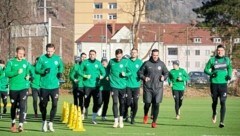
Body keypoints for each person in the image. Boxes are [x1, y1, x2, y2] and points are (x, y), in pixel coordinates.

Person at [35, 43, 64, 132]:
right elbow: (37, 69)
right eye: (48, 51)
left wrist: (60, 72)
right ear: (46, 50)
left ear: (54, 50)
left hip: (54, 86)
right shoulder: (42, 58)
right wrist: (43, 71)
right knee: (44, 105)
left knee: (55, 104)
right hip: (44, 86)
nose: (49, 53)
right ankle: (44, 121)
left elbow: (61, 66)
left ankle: (50, 123)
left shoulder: (57, 58)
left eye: (51, 51)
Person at [138, 49, 168, 128]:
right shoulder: (146, 63)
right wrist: (144, 78)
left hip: (158, 88)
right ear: (151, 55)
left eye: (156, 55)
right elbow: (140, 73)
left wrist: (163, 77)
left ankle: (154, 122)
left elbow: (166, 73)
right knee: (147, 103)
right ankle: (145, 115)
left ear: (158, 55)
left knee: (156, 104)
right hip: (148, 88)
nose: (155, 57)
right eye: (154, 55)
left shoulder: (161, 64)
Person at [204, 44, 232, 128]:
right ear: (217, 51)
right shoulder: (212, 60)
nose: (220, 52)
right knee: (215, 102)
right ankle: (214, 113)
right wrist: (211, 73)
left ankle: (222, 122)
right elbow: (205, 69)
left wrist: (229, 75)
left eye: (222, 50)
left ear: (224, 51)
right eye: (218, 50)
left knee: (223, 101)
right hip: (214, 84)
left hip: (223, 84)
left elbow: (230, 68)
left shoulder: (227, 60)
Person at [5, 46, 31, 132]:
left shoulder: (26, 62)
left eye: (22, 53)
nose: (21, 55)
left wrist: (28, 75)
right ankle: (13, 123)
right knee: (14, 106)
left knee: (23, 105)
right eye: (19, 53)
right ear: (16, 53)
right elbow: (7, 73)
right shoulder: (11, 62)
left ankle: (20, 124)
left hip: (23, 87)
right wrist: (16, 72)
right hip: (13, 88)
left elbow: (29, 71)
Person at [78, 50, 105, 124]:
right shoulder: (85, 62)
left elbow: (103, 72)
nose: (91, 55)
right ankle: (85, 110)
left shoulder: (98, 63)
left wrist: (102, 76)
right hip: (87, 85)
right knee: (86, 101)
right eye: (90, 54)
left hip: (96, 86)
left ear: (95, 55)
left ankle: (93, 118)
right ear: (89, 55)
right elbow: (79, 71)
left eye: (93, 54)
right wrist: (84, 75)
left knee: (97, 102)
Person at [107, 49, 130, 128]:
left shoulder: (125, 62)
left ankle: (121, 120)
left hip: (122, 86)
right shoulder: (111, 61)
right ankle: (115, 120)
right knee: (115, 102)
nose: (118, 56)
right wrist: (107, 76)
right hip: (113, 85)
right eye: (117, 54)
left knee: (122, 103)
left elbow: (130, 72)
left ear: (122, 55)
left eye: (120, 54)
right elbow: (107, 70)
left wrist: (125, 74)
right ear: (115, 54)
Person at [125, 48, 143, 124]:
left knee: (135, 103)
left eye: (135, 52)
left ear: (137, 53)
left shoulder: (140, 62)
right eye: (132, 52)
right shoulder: (126, 61)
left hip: (136, 85)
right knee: (128, 102)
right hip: (127, 85)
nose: (133, 53)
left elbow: (143, 72)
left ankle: (132, 118)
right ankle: (126, 115)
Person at [69, 53, 87, 119]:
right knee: (76, 100)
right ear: (80, 58)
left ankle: (82, 112)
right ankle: (77, 113)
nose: (84, 58)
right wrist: (74, 79)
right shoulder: (76, 66)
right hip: (77, 85)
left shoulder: (87, 66)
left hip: (84, 85)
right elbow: (71, 76)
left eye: (85, 57)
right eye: (82, 57)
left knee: (83, 100)